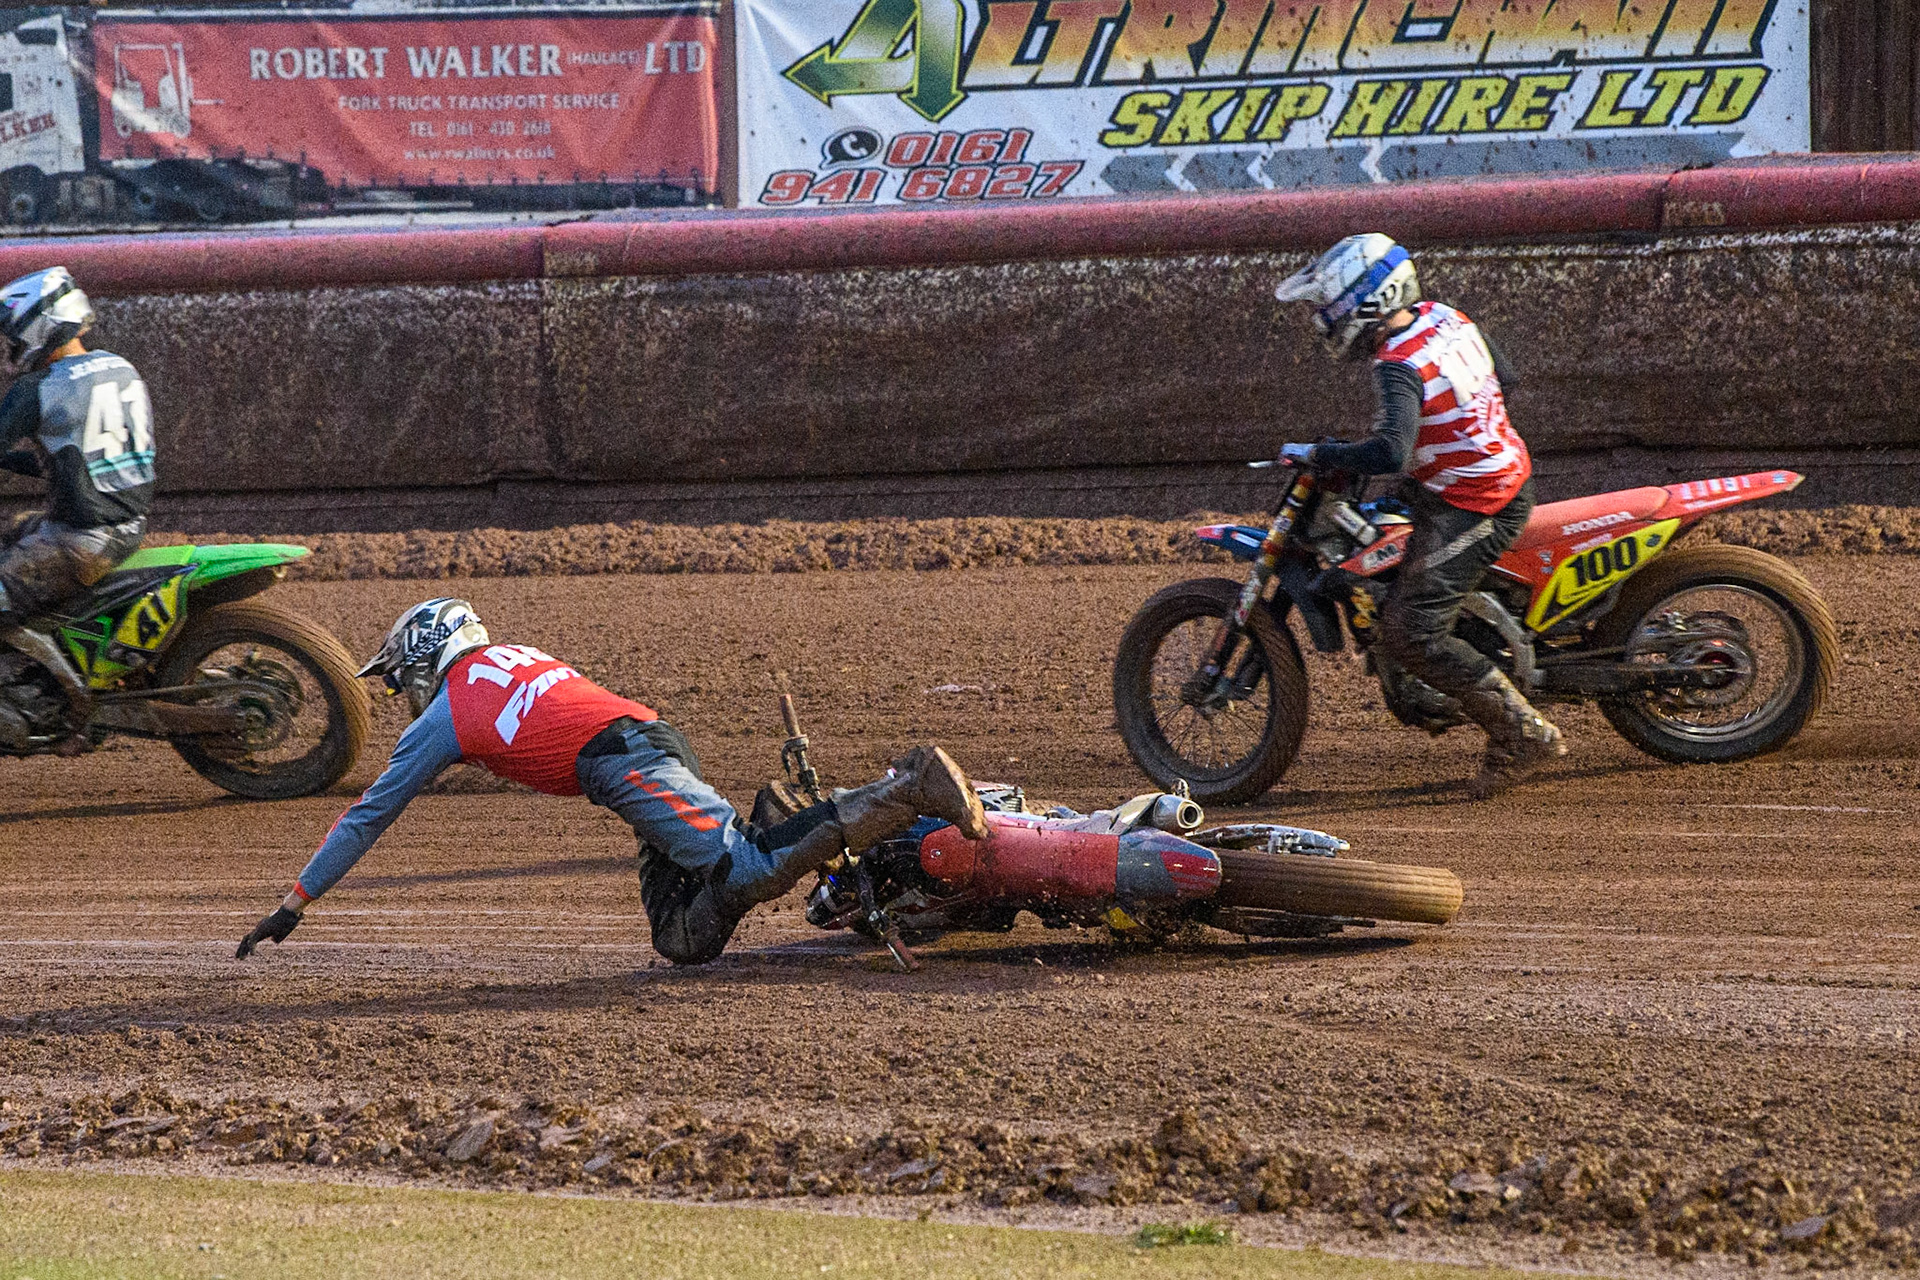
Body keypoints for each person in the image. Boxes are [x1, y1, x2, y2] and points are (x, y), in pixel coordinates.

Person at [235, 598, 990, 965]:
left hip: (626, 761)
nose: (408, 694)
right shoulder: (513, 656)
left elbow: (369, 814)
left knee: (750, 867)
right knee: (683, 940)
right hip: (640, 746)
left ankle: (909, 783)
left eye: (405, 677)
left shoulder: (448, 713)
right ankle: (776, 814)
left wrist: (294, 903)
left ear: (428, 658)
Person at [1272, 233, 1564, 799]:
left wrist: (1321, 453)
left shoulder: (1396, 364)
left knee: (1411, 631)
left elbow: (1388, 452)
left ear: (1369, 301)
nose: (1323, 320)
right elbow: (1508, 378)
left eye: (1329, 306)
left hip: (1476, 500)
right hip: (1476, 475)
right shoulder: (1446, 316)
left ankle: (1522, 732)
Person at [0, 267, 154, 739]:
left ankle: (66, 703)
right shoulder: (120, 366)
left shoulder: (37, 389)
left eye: (11, 334)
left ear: (37, 324)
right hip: (129, 524)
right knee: (15, 536)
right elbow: (79, 450)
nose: (8, 347)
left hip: (79, 539)